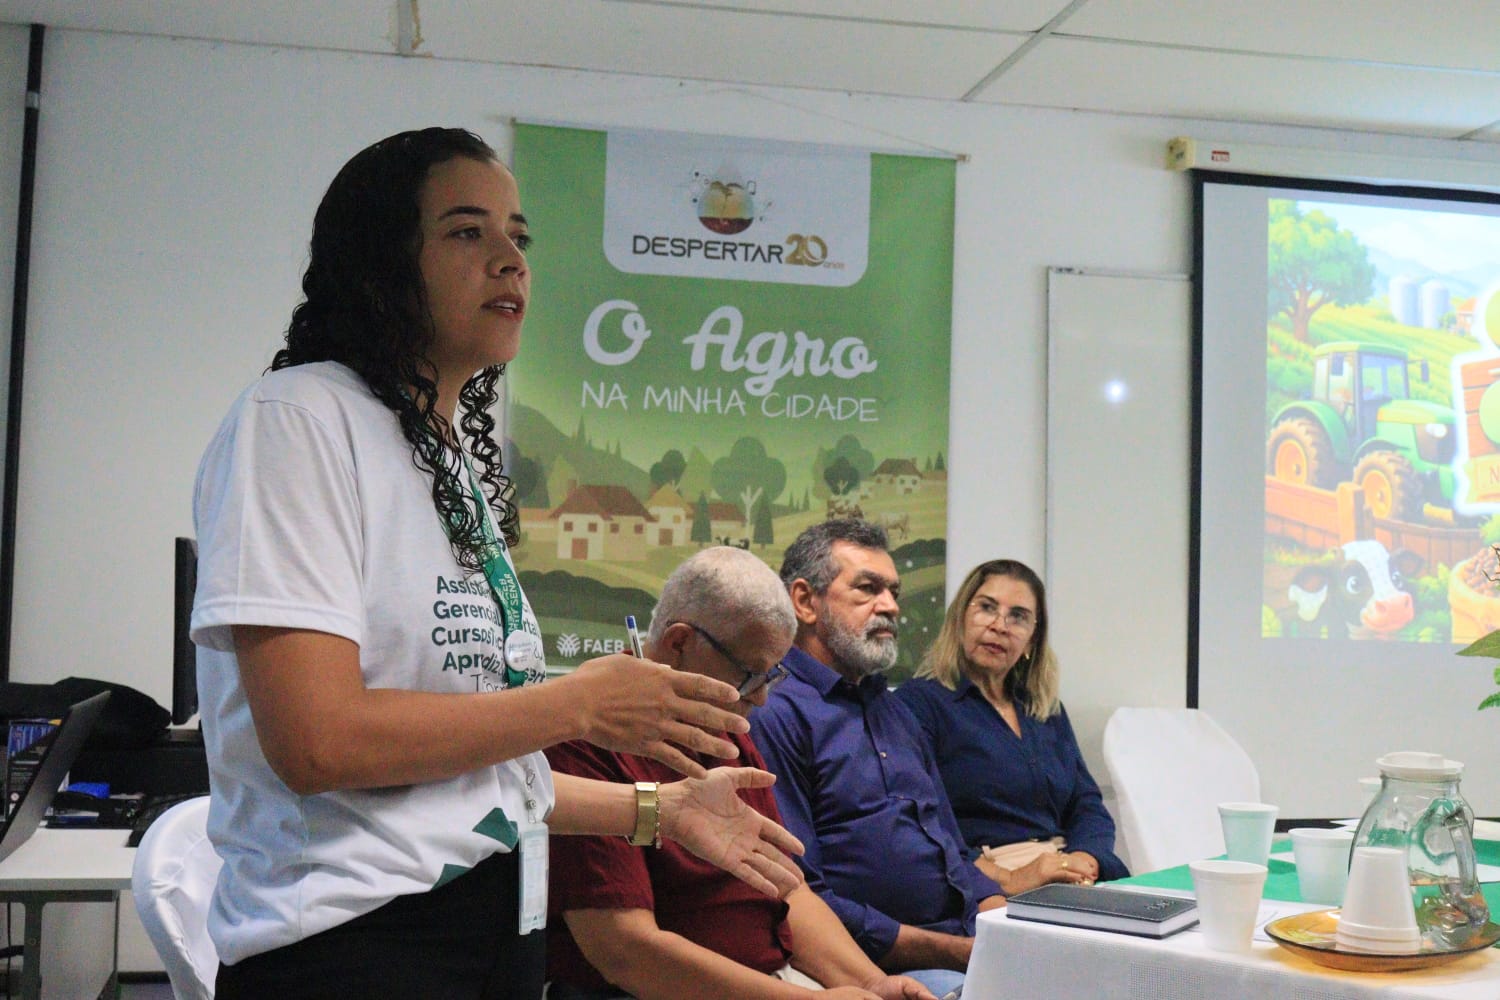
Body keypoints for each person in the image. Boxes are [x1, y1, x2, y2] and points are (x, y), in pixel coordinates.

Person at [190, 127, 802, 1000]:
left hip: (494, 937)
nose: (511, 260)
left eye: (519, 236)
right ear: (381, 262)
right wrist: (576, 704)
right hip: (353, 950)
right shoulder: (297, 420)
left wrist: (657, 812)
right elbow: (318, 742)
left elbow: (470, 774)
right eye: (467, 231)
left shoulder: (450, 462)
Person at [546, 546, 936, 1000]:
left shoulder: (724, 723)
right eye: (750, 675)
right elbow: (625, 951)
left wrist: (871, 982)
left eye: (772, 677)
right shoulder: (589, 737)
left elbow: (786, 887)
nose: (761, 699)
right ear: (679, 643)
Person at [749, 520, 1003, 999]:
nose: (890, 606)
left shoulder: (895, 710)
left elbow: (955, 853)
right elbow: (795, 892)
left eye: (893, 591)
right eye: (868, 589)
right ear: (804, 602)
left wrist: (1005, 923)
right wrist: (954, 951)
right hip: (869, 967)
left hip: (961, 945)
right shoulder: (773, 711)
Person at [894, 559, 1129, 895]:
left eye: (1018, 616)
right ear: (960, 619)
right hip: (987, 878)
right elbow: (920, 821)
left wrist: (1084, 857)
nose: (1000, 626)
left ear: (1032, 639)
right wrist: (1011, 878)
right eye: (987, 608)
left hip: (1071, 868)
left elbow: (1086, 802)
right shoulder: (919, 704)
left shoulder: (1044, 708)